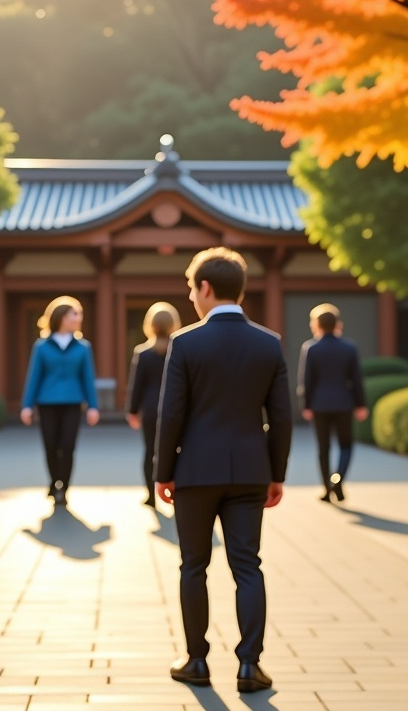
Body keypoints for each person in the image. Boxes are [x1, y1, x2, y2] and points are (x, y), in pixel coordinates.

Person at [154, 248, 292, 694]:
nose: (191, 296)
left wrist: (163, 471)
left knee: (194, 565)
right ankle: (250, 666)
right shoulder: (268, 343)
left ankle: (196, 660)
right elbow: (283, 417)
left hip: (194, 471)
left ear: (206, 288)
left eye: (192, 288)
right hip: (251, 471)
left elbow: (170, 415)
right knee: (247, 566)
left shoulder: (187, 342)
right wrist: (277, 474)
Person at [19, 296, 100, 508]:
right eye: (75, 313)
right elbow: (34, 376)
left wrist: (93, 406)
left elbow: (87, 378)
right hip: (47, 403)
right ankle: (54, 481)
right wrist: (26, 405)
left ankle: (63, 487)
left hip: (72, 403)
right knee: (50, 446)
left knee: (68, 446)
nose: (78, 318)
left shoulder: (83, 347)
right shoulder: (42, 346)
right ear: (62, 317)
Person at [297, 303, 368, 502]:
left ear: (316, 324)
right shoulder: (349, 347)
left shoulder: (310, 348)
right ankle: (338, 480)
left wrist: (306, 405)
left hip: (319, 404)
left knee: (323, 448)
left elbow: (306, 380)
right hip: (344, 403)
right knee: (346, 445)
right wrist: (361, 404)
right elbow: (356, 379)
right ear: (338, 324)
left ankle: (327, 489)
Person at [126, 301, 181, 508]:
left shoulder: (143, 353)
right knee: (176, 449)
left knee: (151, 451)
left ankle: (150, 494)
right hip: (175, 408)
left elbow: (136, 386)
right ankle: (174, 489)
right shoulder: (179, 350)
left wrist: (132, 411)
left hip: (150, 409)